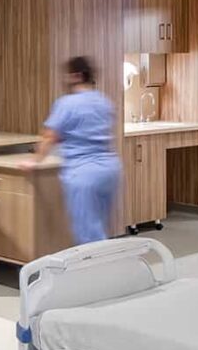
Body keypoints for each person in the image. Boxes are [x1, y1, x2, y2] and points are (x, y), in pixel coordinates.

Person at [18, 57, 121, 245]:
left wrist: (35, 161)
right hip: (110, 169)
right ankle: (104, 267)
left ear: (76, 76)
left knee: (88, 233)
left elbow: (50, 136)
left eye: (68, 76)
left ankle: (94, 272)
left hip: (84, 173)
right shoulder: (104, 101)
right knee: (100, 226)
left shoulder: (67, 103)